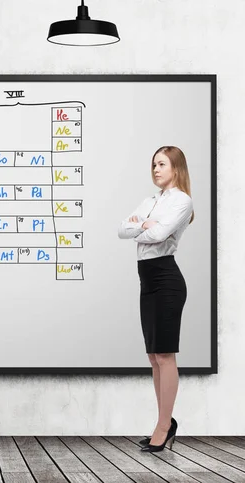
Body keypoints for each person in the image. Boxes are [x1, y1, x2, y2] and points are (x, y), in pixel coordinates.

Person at [118, 146, 194, 453]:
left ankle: (164, 427)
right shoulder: (150, 201)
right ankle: (162, 423)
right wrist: (143, 226)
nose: (156, 169)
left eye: (161, 164)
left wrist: (145, 227)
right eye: (154, 164)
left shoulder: (182, 201)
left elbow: (159, 236)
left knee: (165, 356)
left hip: (166, 280)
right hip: (146, 281)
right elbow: (122, 229)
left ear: (176, 168)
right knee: (153, 357)